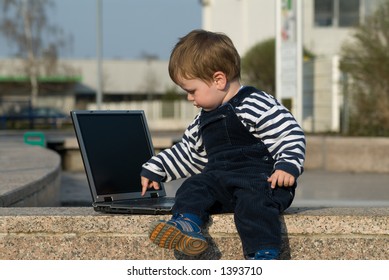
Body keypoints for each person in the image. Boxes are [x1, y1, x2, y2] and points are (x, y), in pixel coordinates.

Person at [140, 29, 305, 260]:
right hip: (222, 183)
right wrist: (156, 168)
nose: (189, 98)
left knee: (253, 203)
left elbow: (288, 132)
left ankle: (264, 253)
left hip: (263, 181)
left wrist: (287, 165)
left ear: (218, 80)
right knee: (193, 186)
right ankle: (188, 224)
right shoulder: (202, 118)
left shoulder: (255, 103)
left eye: (191, 90)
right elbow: (189, 153)